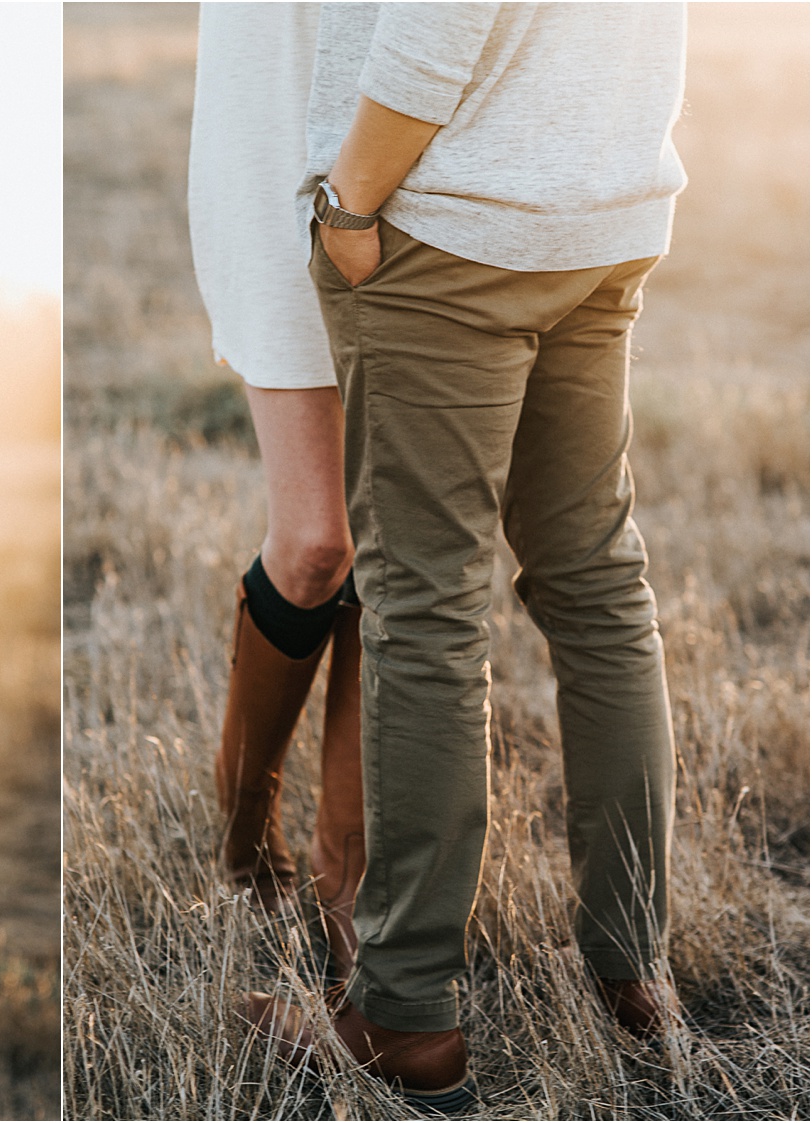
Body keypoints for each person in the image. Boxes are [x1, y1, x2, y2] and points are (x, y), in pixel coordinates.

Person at [245, 3, 686, 1112]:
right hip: (605, 204)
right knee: (598, 585)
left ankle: (403, 1015)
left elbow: (437, 22)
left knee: (427, 611)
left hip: (449, 224)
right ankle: (638, 972)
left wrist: (350, 200)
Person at [188, 3, 363, 976]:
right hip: (272, 145)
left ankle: (353, 889)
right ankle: (249, 820)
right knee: (314, 546)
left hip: (430, 163)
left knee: (395, 556)